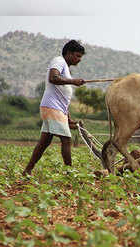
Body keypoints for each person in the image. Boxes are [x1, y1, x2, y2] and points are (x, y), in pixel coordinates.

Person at [23, 40, 86, 176]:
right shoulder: (59, 61)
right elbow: (53, 78)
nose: (79, 60)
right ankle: (70, 173)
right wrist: (73, 81)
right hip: (52, 107)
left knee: (44, 142)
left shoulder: (66, 68)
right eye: (77, 56)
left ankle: (27, 170)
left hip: (55, 108)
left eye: (80, 57)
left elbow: (62, 96)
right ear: (68, 53)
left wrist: (67, 117)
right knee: (66, 139)